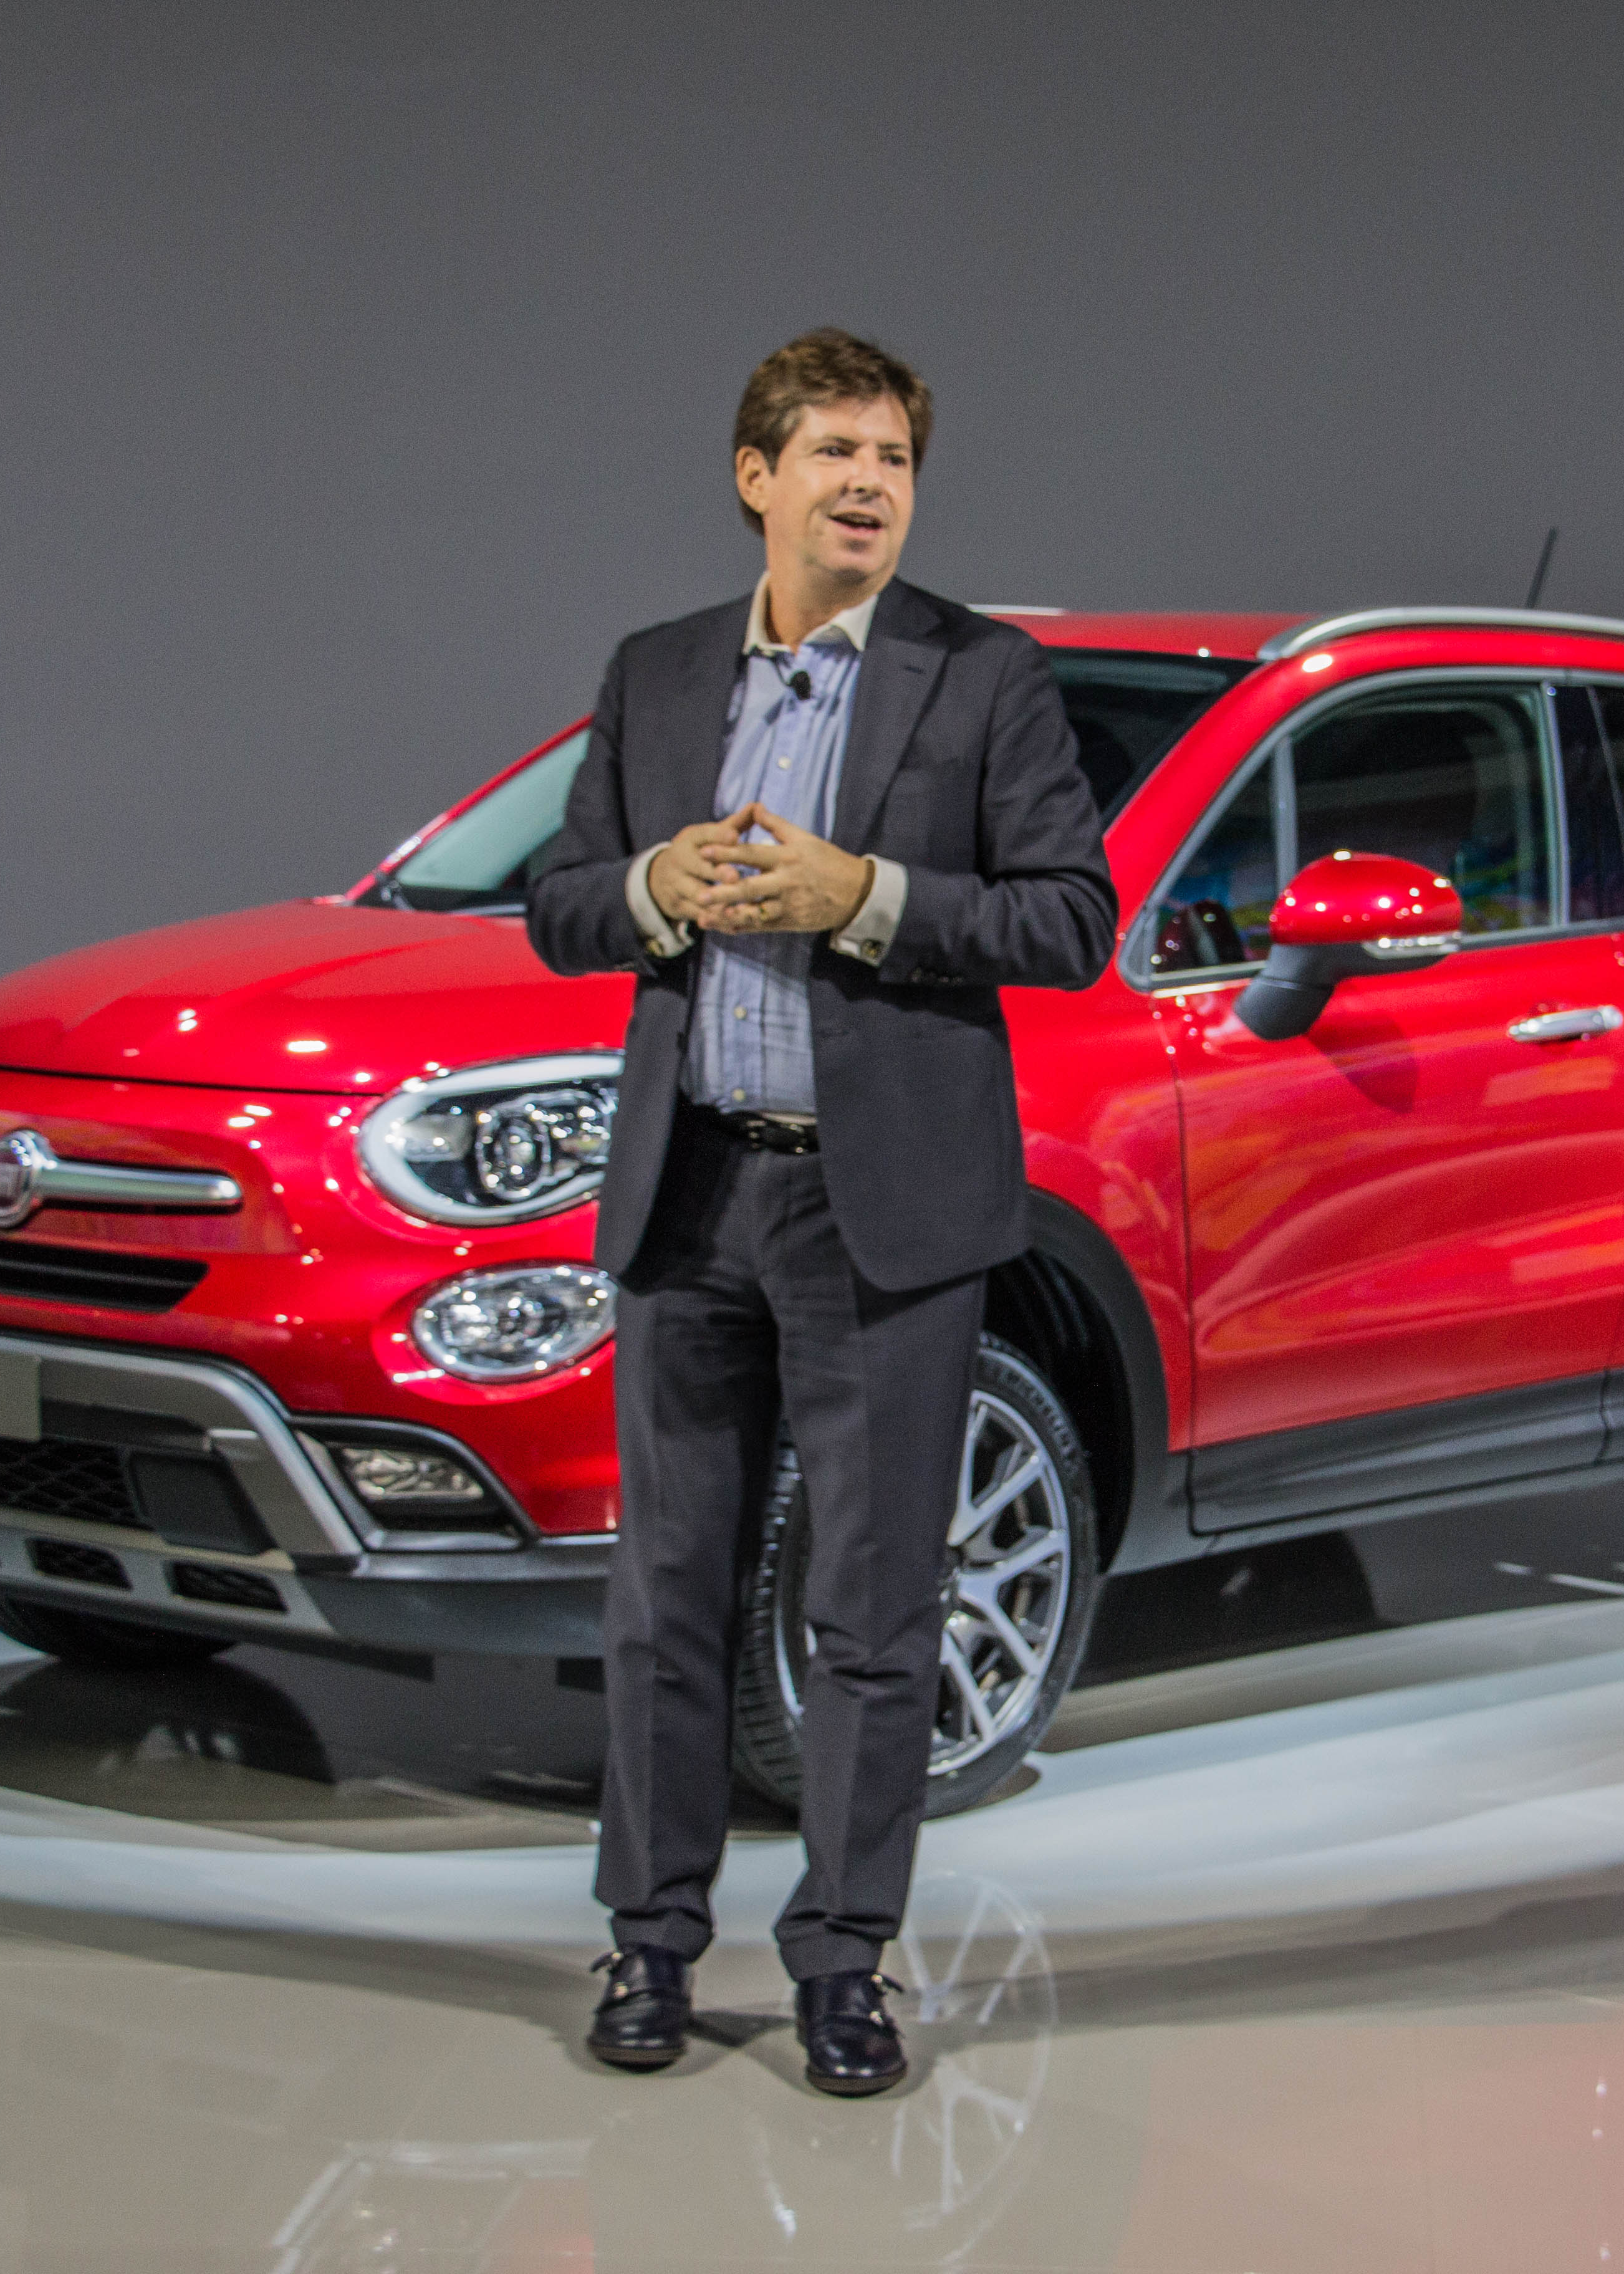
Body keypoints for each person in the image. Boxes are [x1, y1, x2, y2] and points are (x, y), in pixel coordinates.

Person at [524, 329, 1115, 2093]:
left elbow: (1070, 921)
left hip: (887, 1212)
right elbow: (558, 903)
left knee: (871, 1611)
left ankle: (844, 1965)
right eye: (837, 452)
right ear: (755, 477)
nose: (869, 484)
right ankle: (649, 1945)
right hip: (694, 1186)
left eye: (894, 459)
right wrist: (653, 884)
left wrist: (867, 894)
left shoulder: (983, 676)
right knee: (666, 1599)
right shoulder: (656, 673)